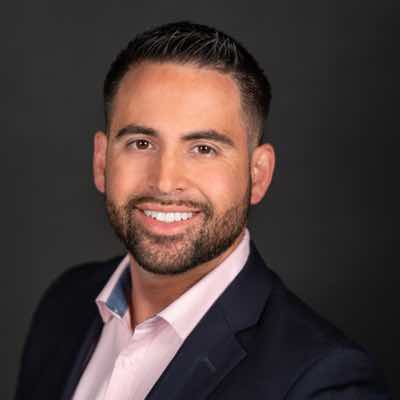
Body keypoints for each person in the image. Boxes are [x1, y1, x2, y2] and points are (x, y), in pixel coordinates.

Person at [15, 21, 390, 400]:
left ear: (258, 175)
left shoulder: (323, 381)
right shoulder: (64, 305)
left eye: (203, 149)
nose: (165, 181)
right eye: (141, 143)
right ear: (101, 161)